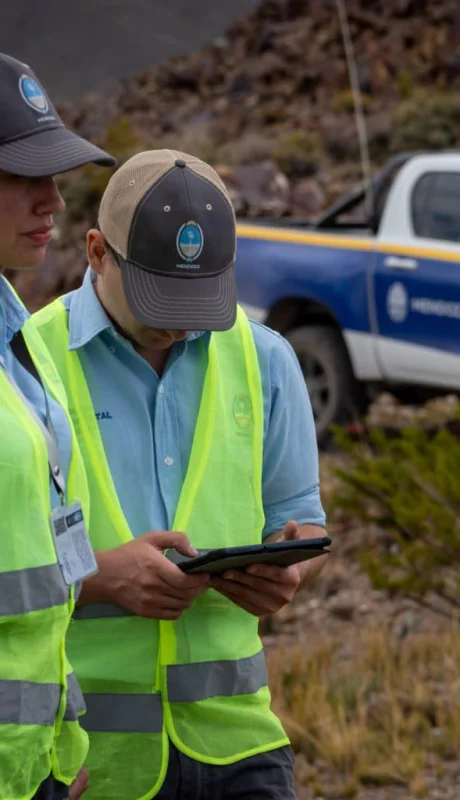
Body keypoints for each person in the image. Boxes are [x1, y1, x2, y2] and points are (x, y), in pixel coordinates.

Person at [34, 149, 328, 800]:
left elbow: (303, 518)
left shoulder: (267, 360)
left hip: (242, 748)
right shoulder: (29, 363)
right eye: (158, 296)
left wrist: (291, 571)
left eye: (198, 295)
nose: (177, 319)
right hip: (91, 762)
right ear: (96, 252)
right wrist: (101, 579)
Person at [0, 52, 116, 800]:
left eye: (55, 175)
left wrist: (62, 732)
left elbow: (44, 576)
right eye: (21, 176)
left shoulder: (19, 337)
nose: (54, 201)